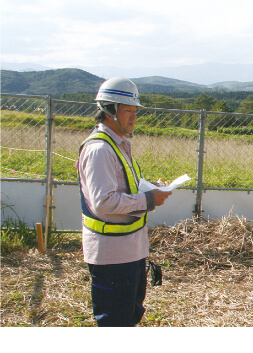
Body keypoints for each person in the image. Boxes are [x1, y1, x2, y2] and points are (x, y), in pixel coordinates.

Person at [78, 77, 171, 327]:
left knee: (128, 315)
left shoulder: (117, 145)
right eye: (128, 110)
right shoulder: (100, 150)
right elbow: (104, 202)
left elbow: (123, 186)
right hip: (112, 255)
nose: (134, 116)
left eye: (135, 111)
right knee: (115, 321)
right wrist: (150, 199)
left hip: (127, 249)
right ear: (108, 111)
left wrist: (151, 188)